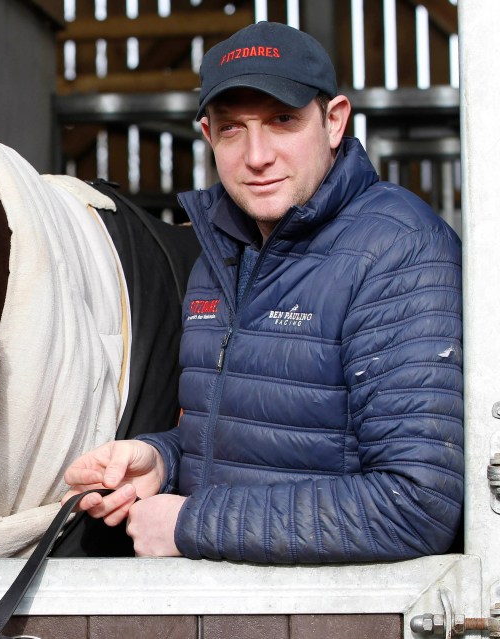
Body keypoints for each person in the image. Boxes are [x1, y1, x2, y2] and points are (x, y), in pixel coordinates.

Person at [63, 21, 463, 563]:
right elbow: (263, 435)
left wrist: (189, 523)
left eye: (282, 121)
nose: (257, 156)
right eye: (233, 129)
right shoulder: (223, 252)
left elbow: (413, 508)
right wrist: (162, 460)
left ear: (334, 121)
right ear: (208, 135)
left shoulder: (399, 251)